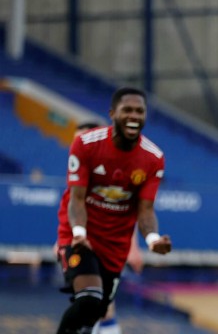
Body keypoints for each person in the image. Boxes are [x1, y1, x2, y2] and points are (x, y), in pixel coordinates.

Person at [55, 87, 172, 334]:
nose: (134, 116)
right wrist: (78, 232)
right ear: (112, 113)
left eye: (140, 111)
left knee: (96, 312)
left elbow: (146, 210)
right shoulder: (85, 144)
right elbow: (76, 200)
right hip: (80, 239)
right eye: (127, 110)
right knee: (89, 298)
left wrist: (151, 239)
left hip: (115, 248)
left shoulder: (153, 158)